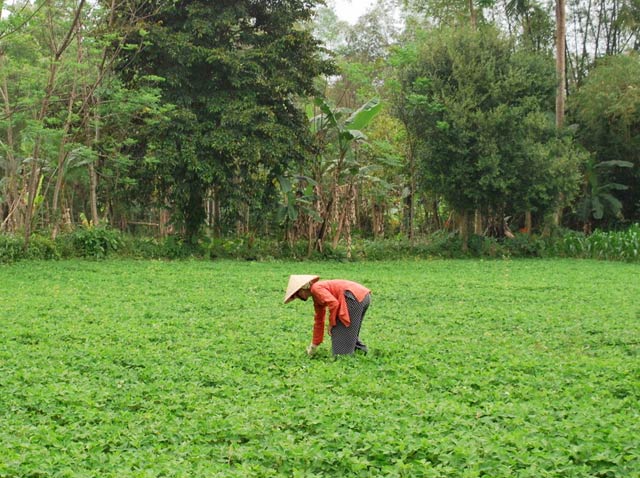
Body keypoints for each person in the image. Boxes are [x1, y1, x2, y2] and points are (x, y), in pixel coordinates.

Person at [283, 275, 371, 356]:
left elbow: (334, 304)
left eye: (297, 295)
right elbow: (319, 320)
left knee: (339, 345)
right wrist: (314, 345)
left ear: (302, 289)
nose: (298, 298)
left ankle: (347, 355)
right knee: (348, 331)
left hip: (353, 297)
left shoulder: (316, 288)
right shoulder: (316, 295)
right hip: (363, 297)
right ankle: (361, 351)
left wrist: (331, 324)